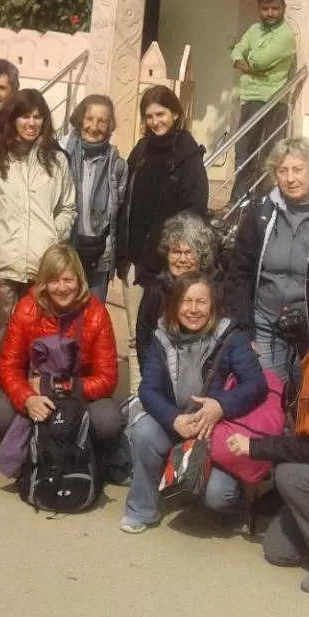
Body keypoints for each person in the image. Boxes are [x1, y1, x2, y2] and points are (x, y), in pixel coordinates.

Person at [120, 271, 268, 533]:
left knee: (218, 496)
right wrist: (173, 418)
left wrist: (219, 406)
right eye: (186, 301)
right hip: (176, 420)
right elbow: (148, 389)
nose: (193, 309)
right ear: (175, 304)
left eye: (201, 302)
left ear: (212, 305)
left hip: (215, 427)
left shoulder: (231, 336)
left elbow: (256, 384)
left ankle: (236, 508)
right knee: (144, 432)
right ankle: (141, 509)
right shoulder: (161, 335)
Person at [228, 288, 309, 595]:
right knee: (278, 550)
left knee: (291, 475)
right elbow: (303, 429)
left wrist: (256, 447)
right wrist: (300, 341)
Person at [0, 243, 123, 460]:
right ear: (44, 283)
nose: (62, 288)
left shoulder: (97, 313)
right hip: (34, 389)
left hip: (77, 391)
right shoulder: (26, 308)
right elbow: (8, 367)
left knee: (109, 419)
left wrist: (61, 387)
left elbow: (107, 378)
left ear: (79, 280)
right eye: (54, 281)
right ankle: (33, 454)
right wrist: (28, 399)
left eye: (68, 280)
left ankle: (83, 455)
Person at [225, 138, 309, 382]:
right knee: (268, 391)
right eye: (282, 171)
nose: (290, 179)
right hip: (265, 323)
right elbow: (239, 270)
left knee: (306, 392)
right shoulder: (261, 212)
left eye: (297, 169)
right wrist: (244, 328)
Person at [116, 85, 208, 393]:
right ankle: (138, 400)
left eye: (161, 114)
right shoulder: (141, 151)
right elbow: (125, 203)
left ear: (176, 114)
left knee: (168, 337)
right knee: (136, 337)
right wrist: (122, 255)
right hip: (135, 261)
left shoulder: (188, 156)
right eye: (150, 116)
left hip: (168, 266)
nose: (155, 121)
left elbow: (194, 211)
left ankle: (166, 399)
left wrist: (174, 254)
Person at [0, 89, 75, 342]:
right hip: (0, 263)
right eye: (25, 116)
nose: (31, 123)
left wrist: (53, 237)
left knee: (37, 335)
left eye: (37, 117)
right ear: (13, 119)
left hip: (42, 264)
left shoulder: (56, 160)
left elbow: (67, 208)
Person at [59, 93, 128, 302]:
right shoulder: (61, 155)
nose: (94, 127)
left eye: (102, 121)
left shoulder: (118, 165)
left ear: (109, 126)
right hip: (65, 249)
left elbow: (118, 212)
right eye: (89, 118)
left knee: (95, 315)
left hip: (99, 254)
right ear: (80, 119)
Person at [135, 212, 221, 375]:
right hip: (160, 372)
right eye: (176, 252)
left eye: (188, 253)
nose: (182, 259)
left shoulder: (214, 288)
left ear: (201, 256)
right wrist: (150, 373)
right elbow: (144, 335)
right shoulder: (156, 288)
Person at [230, 0, 296, 202]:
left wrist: (248, 63)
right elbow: (236, 52)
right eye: (265, 8)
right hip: (249, 97)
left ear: (283, 8)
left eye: (275, 8)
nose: (270, 13)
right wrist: (248, 64)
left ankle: (259, 200)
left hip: (271, 99)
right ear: (259, 8)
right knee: (243, 149)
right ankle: (239, 198)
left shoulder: (285, 35)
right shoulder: (254, 29)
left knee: (266, 152)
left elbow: (259, 60)